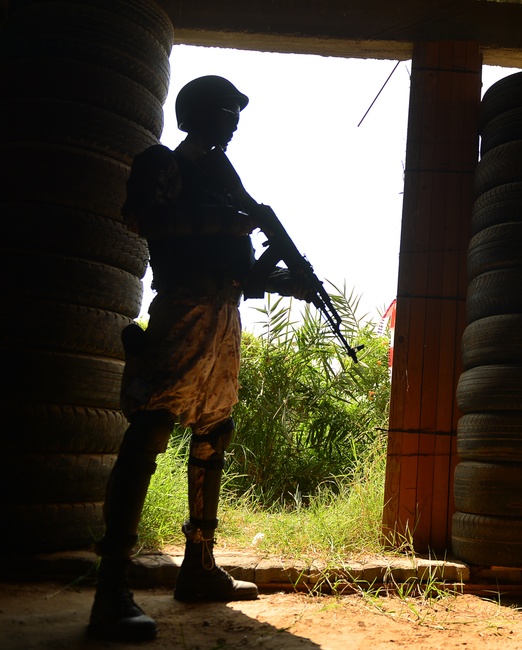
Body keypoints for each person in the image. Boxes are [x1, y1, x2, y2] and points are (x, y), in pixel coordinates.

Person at [88, 75, 315, 642]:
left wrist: (286, 278)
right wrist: (232, 223)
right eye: (225, 112)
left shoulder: (225, 176)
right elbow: (145, 219)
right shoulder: (165, 162)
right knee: (150, 429)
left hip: (222, 314)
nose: (233, 122)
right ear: (198, 114)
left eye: (236, 114)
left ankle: (199, 565)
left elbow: (238, 268)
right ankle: (110, 587)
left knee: (216, 428)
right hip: (184, 309)